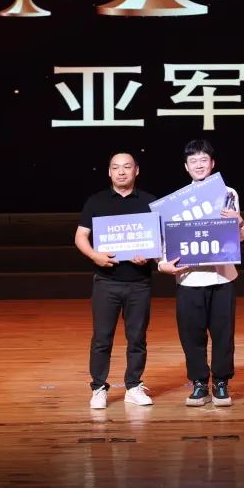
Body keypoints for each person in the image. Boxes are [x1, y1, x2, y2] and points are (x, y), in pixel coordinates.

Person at [158, 139, 244, 407]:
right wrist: (162, 264)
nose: (199, 165)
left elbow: (238, 236)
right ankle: (199, 383)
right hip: (189, 278)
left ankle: (221, 382)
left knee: (223, 334)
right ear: (186, 167)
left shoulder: (228, 192)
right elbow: (165, 239)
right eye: (193, 161)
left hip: (222, 276)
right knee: (192, 335)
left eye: (203, 160)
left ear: (212, 163)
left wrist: (240, 223)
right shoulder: (176, 201)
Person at [75, 152, 158, 409]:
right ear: (109, 172)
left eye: (127, 167)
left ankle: (133, 386)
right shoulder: (96, 201)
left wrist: (149, 254)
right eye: (115, 167)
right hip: (106, 282)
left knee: (137, 339)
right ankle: (98, 388)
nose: (121, 172)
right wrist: (95, 256)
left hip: (139, 283)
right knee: (102, 338)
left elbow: (159, 240)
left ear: (136, 170)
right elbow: (80, 236)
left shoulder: (150, 202)